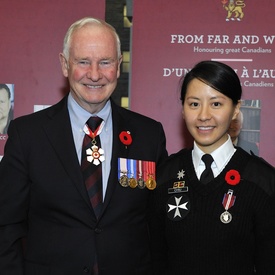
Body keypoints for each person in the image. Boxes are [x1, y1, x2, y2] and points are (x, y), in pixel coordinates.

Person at [0, 17, 168, 275]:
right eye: (82, 62)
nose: (94, 74)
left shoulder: (149, 135)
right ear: (64, 65)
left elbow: (159, 227)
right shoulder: (28, 135)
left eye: (105, 62)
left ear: (119, 65)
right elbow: (6, 224)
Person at [149, 60, 275, 274]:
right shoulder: (163, 177)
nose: (203, 115)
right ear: (183, 110)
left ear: (236, 109)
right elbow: (154, 261)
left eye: (216, 104)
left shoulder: (262, 181)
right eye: (194, 104)